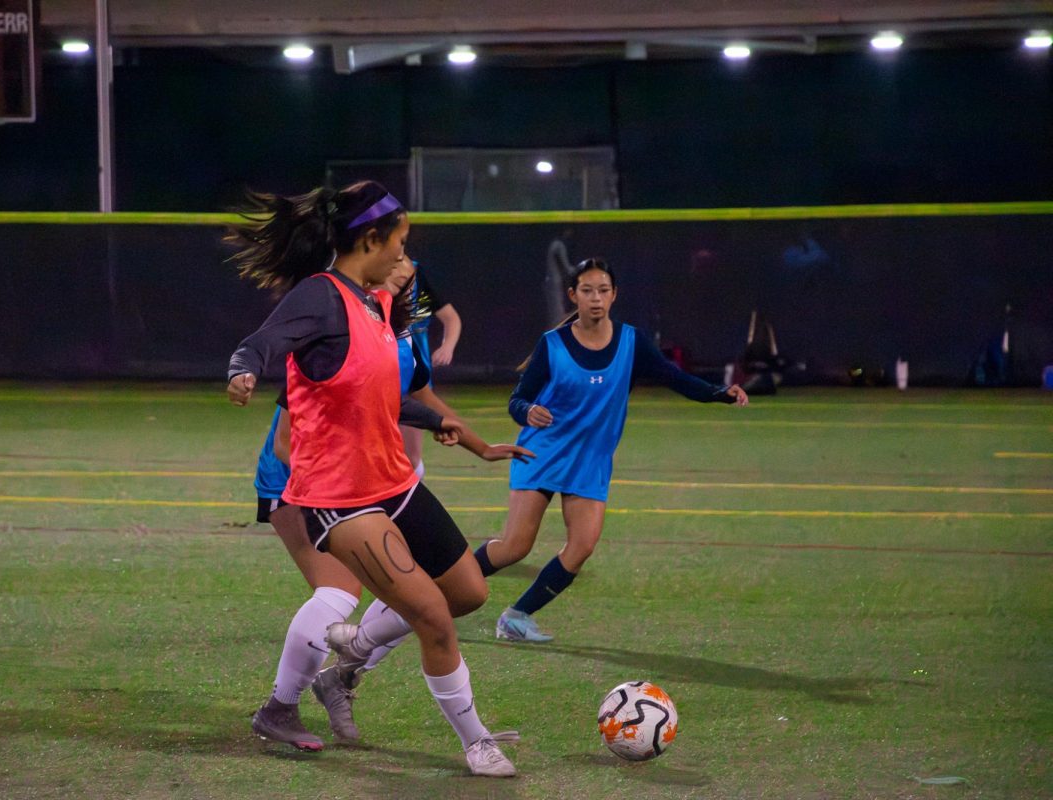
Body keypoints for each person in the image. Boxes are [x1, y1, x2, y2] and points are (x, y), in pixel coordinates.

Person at [226, 180, 529, 777]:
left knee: (468, 593)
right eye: (401, 242)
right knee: (432, 619)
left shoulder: (375, 302)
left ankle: (355, 648)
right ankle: (476, 742)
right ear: (371, 239)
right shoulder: (321, 297)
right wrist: (242, 370)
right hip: (342, 500)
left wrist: (471, 442)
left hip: (394, 483)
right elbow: (263, 342)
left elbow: (384, 397)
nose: (405, 256)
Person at [473, 257, 749, 642]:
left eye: (603, 290)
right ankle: (439, 587)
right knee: (515, 547)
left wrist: (719, 393)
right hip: (543, 454)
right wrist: (527, 411)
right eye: (587, 291)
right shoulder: (552, 345)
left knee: (582, 546)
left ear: (614, 295)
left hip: (590, 462)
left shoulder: (632, 342)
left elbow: (675, 378)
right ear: (574, 295)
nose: (596, 298)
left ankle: (517, 616)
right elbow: (517, 400)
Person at [398, 261, 462, 476]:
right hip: (379, 386)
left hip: (413, 385)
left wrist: (447, 347)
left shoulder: (417, 285)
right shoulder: (365, 289)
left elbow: (450, 318)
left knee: (410, 457)